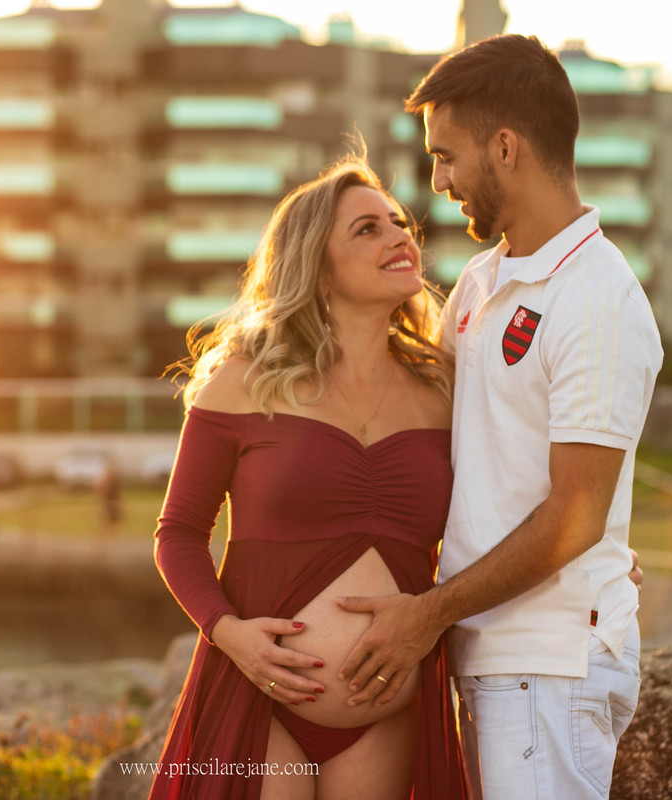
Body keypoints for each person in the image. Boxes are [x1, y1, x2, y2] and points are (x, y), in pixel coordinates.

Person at [333, 35, 664, 799]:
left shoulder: (598, 298)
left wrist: (427, 615)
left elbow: (573, 517)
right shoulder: (482, 283)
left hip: (549, 664)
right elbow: (443, 438)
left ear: (506, 148)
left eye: (446, 156)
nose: (438, 181)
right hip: (497, 658)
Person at [149, 152, 467, 799]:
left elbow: (508, 502)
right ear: (318, 268)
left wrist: (591, 551)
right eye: (367, 229)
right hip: (259, 700)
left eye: (398, 223)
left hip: (387, 715)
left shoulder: (444, 390)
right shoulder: (244, 381)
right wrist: (229, 634)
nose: (399, 237)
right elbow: (178, 533)